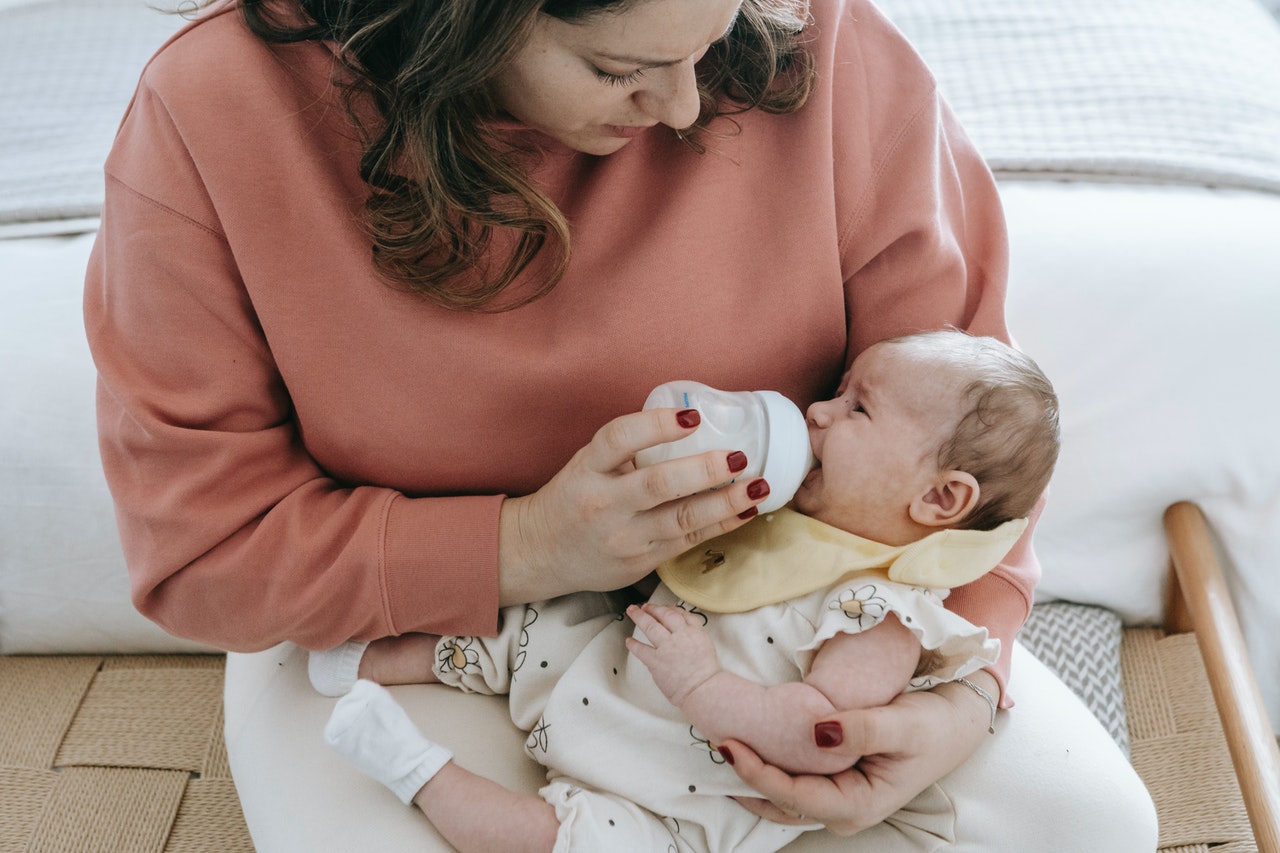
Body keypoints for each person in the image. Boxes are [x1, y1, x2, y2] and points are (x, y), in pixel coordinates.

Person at [82, 0, 1157, 847]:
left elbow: (972, 435)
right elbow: (203, 552)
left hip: (785, 611)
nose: (687, 108)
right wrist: (527, 546)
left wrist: (965, 693)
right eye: (618, 69)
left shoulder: (821, 39)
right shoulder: (217, 114)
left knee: (1089, 827)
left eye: (717, 33)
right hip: (410, 626)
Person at [314, 330, 1059, 853]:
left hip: (669, 798)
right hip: (609, 666)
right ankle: (368, 662)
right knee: (538, 621)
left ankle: (414, 769)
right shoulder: (790, 516)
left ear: (940, 500)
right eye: (835, 393)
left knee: (564, 845)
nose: (818, 412)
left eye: (857, 408)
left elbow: (818, 734)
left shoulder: (881, 614)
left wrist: (701, 680)